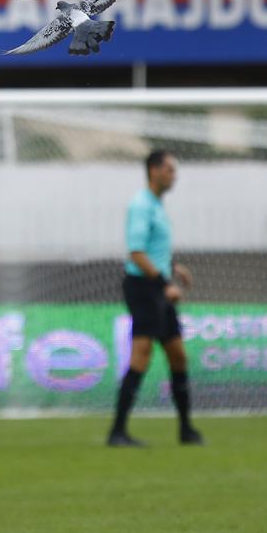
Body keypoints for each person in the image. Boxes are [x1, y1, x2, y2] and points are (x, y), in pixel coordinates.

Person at [108, 149, 201, 448]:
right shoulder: (141, 205)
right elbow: (136, 251)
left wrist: (174, 268)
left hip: (157, 285)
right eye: (170, 169)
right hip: (144, 287)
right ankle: (117, 432)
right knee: (141, 354)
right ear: (154, 170)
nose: (175, 175)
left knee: (178, 354)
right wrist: (164, 284)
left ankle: (186, 430)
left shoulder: (157, 205)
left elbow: (153, 248)